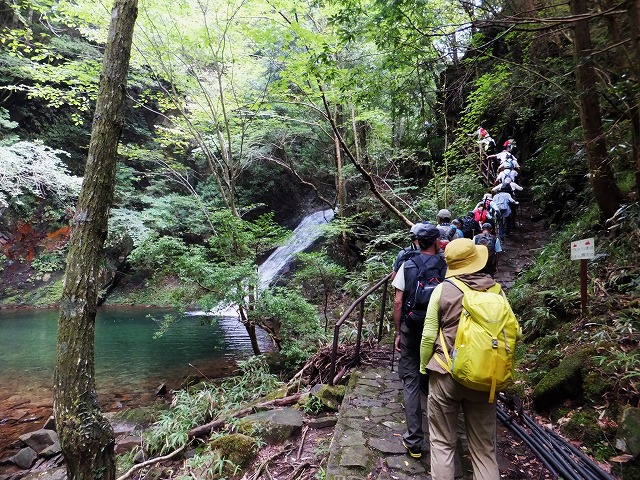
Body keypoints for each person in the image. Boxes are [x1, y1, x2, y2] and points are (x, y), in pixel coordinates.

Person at [419, 238, 509, 479]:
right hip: (483, 376)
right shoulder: (497, 291)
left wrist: (423, 368)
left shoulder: (442, 289)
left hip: (445, 373)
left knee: (442, 443)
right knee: (484, 450)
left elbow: (428, 336)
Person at [392, 223, 447, 459]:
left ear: (416, 242)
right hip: (438, 329)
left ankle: (414, 441)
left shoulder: (408, 264)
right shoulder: (446, 266)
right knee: (437, 376)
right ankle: (442, 438)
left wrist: (398, 331)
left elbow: (397, 302)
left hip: (412, 327)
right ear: (436, 242)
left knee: (411, 380)